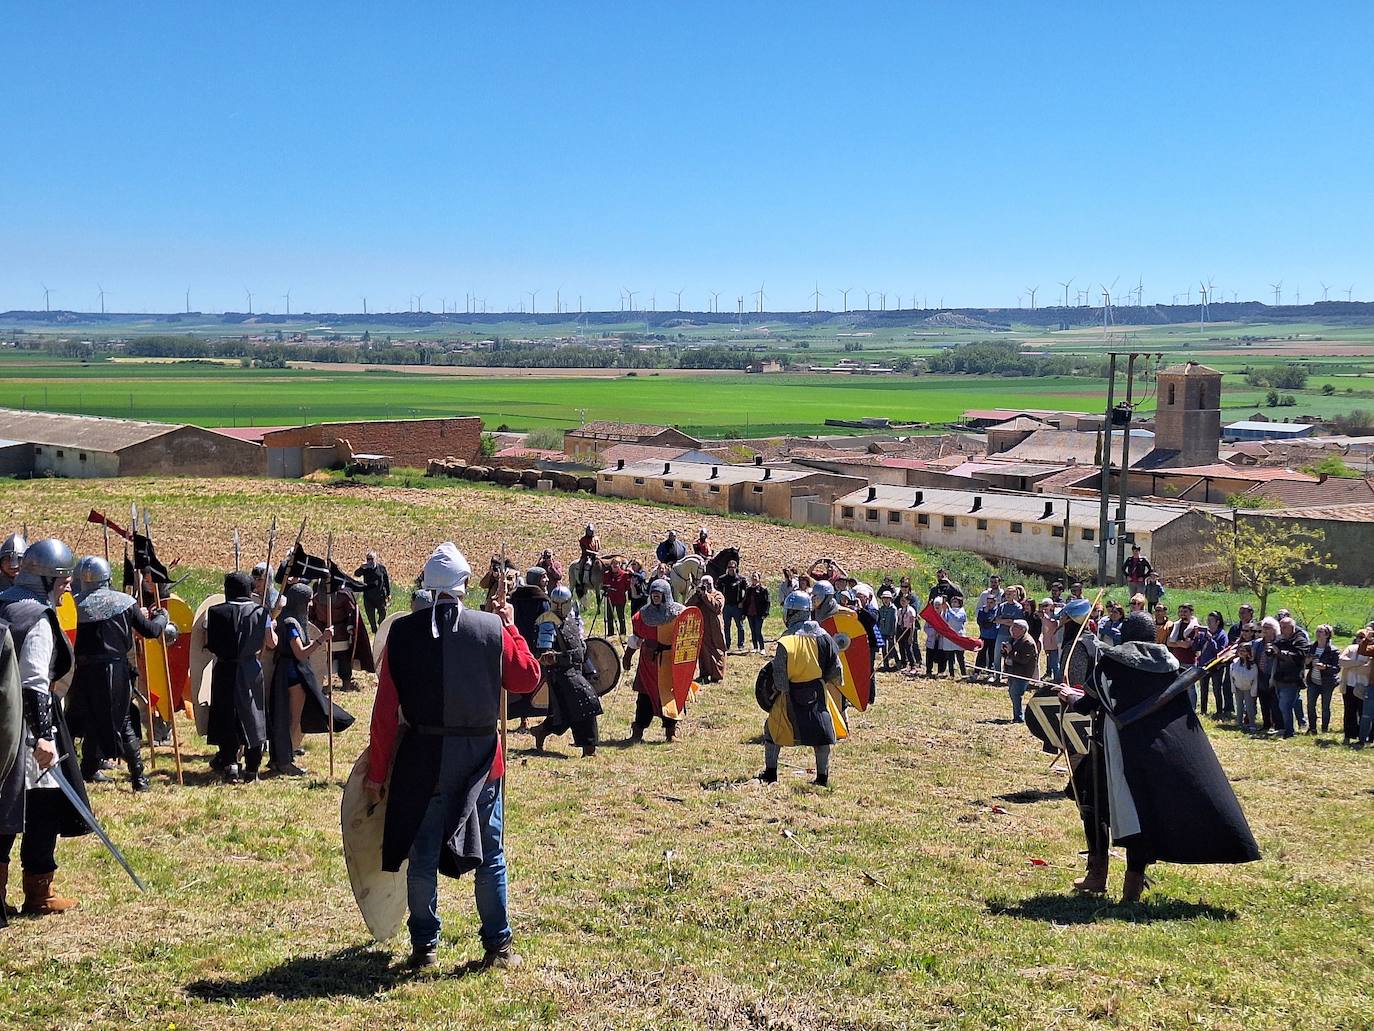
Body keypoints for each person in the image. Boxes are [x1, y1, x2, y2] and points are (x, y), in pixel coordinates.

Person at [365, 542, 540, 970]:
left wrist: (377, 770)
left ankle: (424, 948)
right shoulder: (490, 628)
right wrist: (510, 628)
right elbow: (528, 679)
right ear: (464, 586)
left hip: (422, 762)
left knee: (422, 858)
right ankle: (498, 948)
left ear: (427, 585)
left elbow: (385, 712)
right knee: (492, 859)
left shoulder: (402, 633)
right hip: (481, 762)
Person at [1056, 611, 1260, 902]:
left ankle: (1098, 874)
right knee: (1142, 811)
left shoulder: (1112, 663)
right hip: (1154, 754)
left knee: (1093, 802)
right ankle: (1127, 886)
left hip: (1112, 750)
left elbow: (1088, 703)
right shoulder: (1170, 667)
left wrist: (1070, 696)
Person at [0, 538, 90, 915]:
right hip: (25, 724)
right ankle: (39, 892)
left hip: (5, 721)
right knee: (39, 807)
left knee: (6, 806)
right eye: (62, 581)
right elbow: (34, 681)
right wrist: (43, 737)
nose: (67, 588)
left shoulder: (4, 604)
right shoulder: (36, 618)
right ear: (47, 581)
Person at [67, 555, 168, 792]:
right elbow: (152, 631)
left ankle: (87, 768)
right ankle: (138, 779)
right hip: (114, 671)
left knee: (86, 719)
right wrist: (162, 617)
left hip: (83, 672)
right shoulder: (123, 603)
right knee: (121, 722)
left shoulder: (72, 606)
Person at [757, 591, 845, 788]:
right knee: (821, 735)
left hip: (790, 693)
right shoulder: (824, 636)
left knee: (773, 732)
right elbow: (835, 669)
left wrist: (781, 691)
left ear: (792, 613)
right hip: (817, 691)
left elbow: (779, 672)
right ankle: (822, 777)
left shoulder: (787, 639)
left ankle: (771, 774)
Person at [268, 582, 354, 775]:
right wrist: (322, 639)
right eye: (307, 601)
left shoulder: (286, 618)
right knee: (291, 721)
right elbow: (300, 652)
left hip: (289, 671)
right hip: (293, 674)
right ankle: (285, 761)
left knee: (287, 718)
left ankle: (280, 759)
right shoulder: (291, 623)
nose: (309, 606)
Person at [205, 571, 276, 783]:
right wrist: (270, 627)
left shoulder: (216, 612)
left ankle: (231, 765)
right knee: (252, 717)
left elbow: (212, 645)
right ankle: (252, 768)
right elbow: (272, 643)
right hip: (249, 669)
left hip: (225, 668)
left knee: (227, 715)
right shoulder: (261, 612)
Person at [531, 585, 602, 757]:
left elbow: (578, 643)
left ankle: (541, 730)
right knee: (586, 703)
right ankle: (589, 749)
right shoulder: (547, 622)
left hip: (576, 670)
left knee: (566, 713)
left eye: (563, 603)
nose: (560, 607)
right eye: (556, 603)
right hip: (561, 673)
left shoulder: (569, 619)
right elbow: (543, 653)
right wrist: (554, 657)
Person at [624, 579, 686, 743]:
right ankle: (637, 732)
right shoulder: (642, 616)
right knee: (644, 699)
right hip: (648, 663)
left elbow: (688, 639)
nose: (656, 596)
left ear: (666, 594)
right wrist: (627, 656)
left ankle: (671, 732)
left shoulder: (679, 614)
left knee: (670, 697)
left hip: (669, 662)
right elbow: (636, 639)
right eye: (654, 593)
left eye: (659, 594)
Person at [310, 575, 364, 691]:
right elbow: (312, 614)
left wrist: (350, 627)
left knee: (341, 659)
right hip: (325, 632)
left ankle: (345, 684)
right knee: (328, 659)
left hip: (338, 633)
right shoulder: (317, 598)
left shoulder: (342, 596)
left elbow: (352, 613)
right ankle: (331, 684)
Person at [1271, 616, 1310, 738]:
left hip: (1292, 679)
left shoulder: (1300, 640)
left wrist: (1281, 653)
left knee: (1285, 706)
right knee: (1283, 706)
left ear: (1292, 627)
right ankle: (1285, 729)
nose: (1282, 629)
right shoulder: (1280, 640)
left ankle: (1289, 732)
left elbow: (1299, 657)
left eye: (1285, 627)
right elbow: (1272, 650)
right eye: (1281, 627)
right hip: (1280, 678)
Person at [687, 575, 726, 684]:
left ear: (711, 584)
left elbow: (717, 607)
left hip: (714, 628)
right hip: (702, 627)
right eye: (703, 583)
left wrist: (706, 595)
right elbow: (688, 606)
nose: (705, 586)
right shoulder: (699, 596)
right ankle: (704, 674)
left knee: (716, 651)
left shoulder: (718, 595)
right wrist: (697, 594)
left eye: (707, 583)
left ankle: (717, 675)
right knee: (703, 652)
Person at [1304, 624, 1339, 736]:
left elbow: (1337, 668)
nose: (1318, 633)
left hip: (1327, 683)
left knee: (1325, 706)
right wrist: (1307, 661)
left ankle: (1324, 728)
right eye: (1317, 631)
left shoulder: (1333, 651)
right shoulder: (1311, 647)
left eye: (1321, 631)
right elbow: (1305, 665)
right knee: (1310, 705)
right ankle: (1312, 728)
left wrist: (1325, 667)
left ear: (1327, 635)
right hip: (1313, 681)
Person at [1002, 619, 1039, 723]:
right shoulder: (1013, 639)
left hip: (1022, 673)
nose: (1012, 630)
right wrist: (1004, 651)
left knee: (1016, 693)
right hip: (1012, 671)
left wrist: (1010, 651)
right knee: (1012, 693)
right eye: (1012, 627)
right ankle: (1018, 714)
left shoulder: (1028, 642)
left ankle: (1019, 717)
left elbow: (1023, 659)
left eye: (1015, 628)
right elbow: (1008, 655)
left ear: (1023, 630)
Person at [1195, 611, 1230, 717]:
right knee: (1203, 688)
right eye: (1208, 620)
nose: (1208, 623)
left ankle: (1219, 711)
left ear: (1217, 622)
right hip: (1204, 665)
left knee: (1216, 689)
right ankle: (1203, 710)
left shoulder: (1222, 635)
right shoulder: (1204, 633)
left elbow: (1220, 651)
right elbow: (1196, 648)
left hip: (1216, 666)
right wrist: (1197, 637)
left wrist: (1210, 639)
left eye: (1211, 621)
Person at [1338, 630, 1370, 745]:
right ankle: (1348, 736)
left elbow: (1367, 670)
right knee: (1349, 712)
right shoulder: (1351, 648)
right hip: (1349, 685)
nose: (1360, 639)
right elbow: (1342, 661)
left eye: (1363, 637)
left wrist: (1351, 664)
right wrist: (1359, 663)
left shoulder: (1370, 651)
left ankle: (1363, 737)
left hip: (1364, 686)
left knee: (1364, 713)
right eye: (1359, 637)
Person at [354, 552, 392, 633]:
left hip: (380, 596)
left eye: (371, 559)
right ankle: (375, 631)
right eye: (368, 559)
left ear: (375, 559)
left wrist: (389, 593)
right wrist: (361, 568)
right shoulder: (365, 569)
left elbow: (386, 581)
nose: (370, 561)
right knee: (371, 617)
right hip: (368, 597)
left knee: (383, 613)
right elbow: (356, 574)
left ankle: (381, 626)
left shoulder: (381, 568)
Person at [1230, 633, 1260, 731]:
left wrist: (1253, 692)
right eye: (1240, 650)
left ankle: (1252, 724)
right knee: (1239, 706)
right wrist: (1233, 688)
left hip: (1248, 689)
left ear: (1248, 652)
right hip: (1238, 687)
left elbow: (1255, 679)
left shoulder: (1253, 665)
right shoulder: (1234, 663)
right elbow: (1232, 677)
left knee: (1250, 707)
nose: (1241, 653)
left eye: (1244, 651)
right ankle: (1239, 723)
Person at [717, 559, 746, 654]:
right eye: (729, 567)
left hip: (737, 606)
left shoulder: (741, 580)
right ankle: (727, 644)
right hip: (726, 607)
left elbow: (746, 593)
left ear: (736, 568)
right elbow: (718, 592)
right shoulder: (722, 579)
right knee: (726, 627)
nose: (730, 569)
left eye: (732, 567)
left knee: (740, 626)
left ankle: (741, 644)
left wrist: (742, 602)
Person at [940, 594, 969, 679]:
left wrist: (949, 609)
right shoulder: (948, 610)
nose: (953, 603)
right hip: (949, 636)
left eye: (955, 602)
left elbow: (957, 618)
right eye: (952, 601)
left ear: (960, 603)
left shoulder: (961, 611)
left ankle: (963, 674)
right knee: (950, 656)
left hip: (958, 635)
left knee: (960, 657)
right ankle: (951, 674)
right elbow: (943, 620)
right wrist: (945, 611)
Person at [601, 557, 630, 641]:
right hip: (610, 598)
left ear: (620, 565)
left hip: (620, 598)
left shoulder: (624, 574)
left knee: (621, 617)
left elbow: (627, 587)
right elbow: (604, 584)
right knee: (609, 616)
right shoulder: (606, 574)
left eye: (617, 564)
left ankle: (623, 634)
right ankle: (610, 634)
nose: (615, 566)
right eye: (613, 564)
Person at [742, 572, 771, 655]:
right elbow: (745, 602)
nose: (754, 578)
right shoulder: (749, 589)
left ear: (759, 578)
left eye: (755, 577)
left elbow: (767, 602)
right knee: (753, 630)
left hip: (759, 614)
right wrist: (744, 613)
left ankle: (762, 648)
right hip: (750, 613)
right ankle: (755, 647)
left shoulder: (763, 589)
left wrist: (765, 613)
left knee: (758, 631)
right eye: (753, 577)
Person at [974, 593, 999, 681]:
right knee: (981, 654)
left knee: (992, 655)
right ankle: (977, 671)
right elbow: (981, 622)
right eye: (988, 602)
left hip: (993, 636)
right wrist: (985, 614)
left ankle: (991, 673)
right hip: (984, 635)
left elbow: (992, 621)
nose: (989, 604)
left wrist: (989, 621)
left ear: (995, 602)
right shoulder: (982, 611)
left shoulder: (998, 610)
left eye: (991, 602)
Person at [897, 591, 920, 675]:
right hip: (901, 629)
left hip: (908, 630)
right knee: (901, 647)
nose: (902, 602)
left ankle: (913, 665)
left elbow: (912, 624)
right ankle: (904, 664)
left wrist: (911, 636)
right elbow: (899, 621)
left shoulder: (911, 611)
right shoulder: (899, 610)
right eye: (901, 600)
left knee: (908, 648)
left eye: (904, 601)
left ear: (908, 601)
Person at [876, 590, 899, 671]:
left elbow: (895, 621)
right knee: (883, 649)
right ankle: (886, 665)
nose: (886, 600)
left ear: (890, 599)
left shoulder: (893, 609)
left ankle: (898, 663)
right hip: (882, 631)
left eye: (887, 598)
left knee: (892, 648)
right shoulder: (881, 609)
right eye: (884, 598)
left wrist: (893, 632)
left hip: (890, 631)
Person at [1039, 599, 1062, 682]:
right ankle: (1054, 679)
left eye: (1046, 605)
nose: (1044, 608)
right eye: (1042, 605)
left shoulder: (1056, 614)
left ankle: (1058, 680)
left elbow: (1054, 625)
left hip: (1055, 643)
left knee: (1055, 664)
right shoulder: (1043, 615)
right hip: (1047, 642)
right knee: (1051, 663)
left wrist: (1045, 617)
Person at [924, 596, 946, 677]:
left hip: (941, 639)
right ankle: (928, 670)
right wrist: (934, 632)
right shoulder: (930, 616)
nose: (937, 606)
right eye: (935, 604)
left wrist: (941, 633)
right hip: (932, 638)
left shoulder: (945, 615)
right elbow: (926, 628)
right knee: (929, 655)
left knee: (942, 656)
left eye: (939, 604)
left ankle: (941, 671)